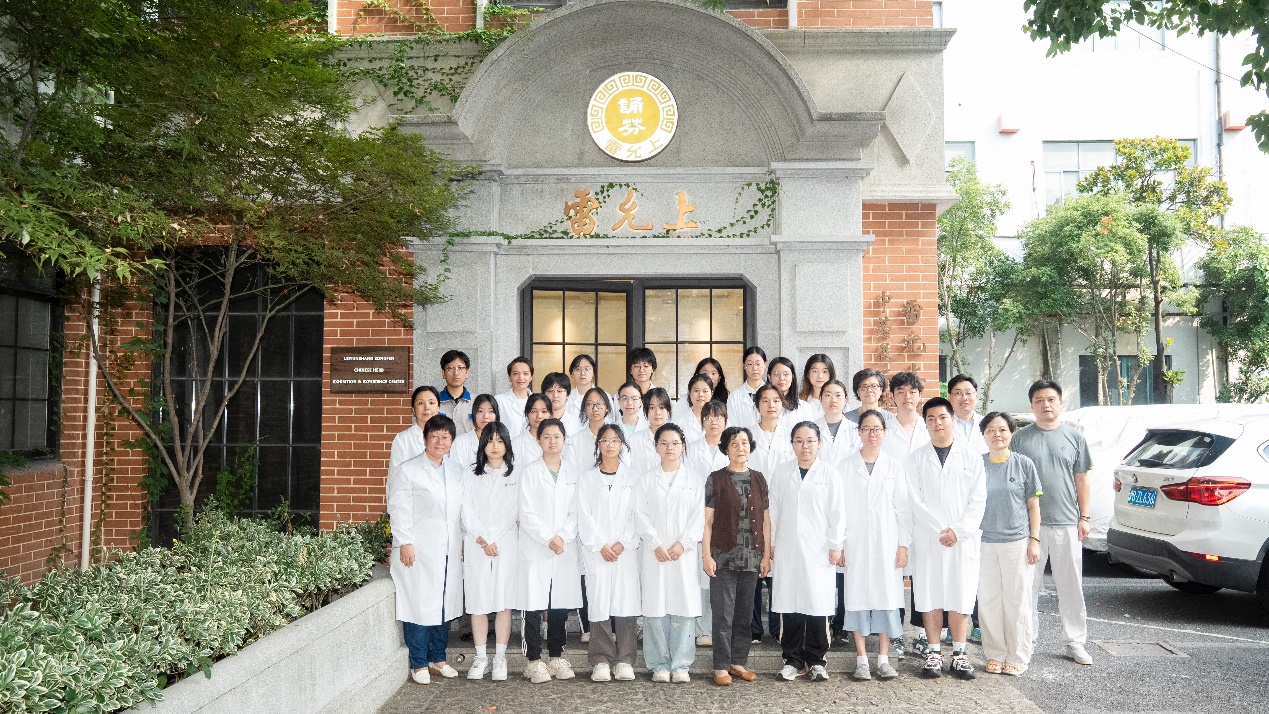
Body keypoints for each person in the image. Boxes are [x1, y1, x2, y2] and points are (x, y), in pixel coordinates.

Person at [1010, 379, 1094, 667]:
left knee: (1070, 586)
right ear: (1032, 405)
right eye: (1039, 400)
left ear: (1060, 402)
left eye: (1050, 399)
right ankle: (1027, 640)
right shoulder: (1019, 439)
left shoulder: (1075, 437)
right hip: (1028, 528)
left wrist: (1084, 517)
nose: (1045, 405)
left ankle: (1075, 642)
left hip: (1067, 522)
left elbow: (1082, 479)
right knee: (1027, 586)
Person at [907, 397, 987, 681]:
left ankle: (960, 654)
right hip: (929, 539)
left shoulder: (971, 457)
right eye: (931, 419)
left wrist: (958, 531)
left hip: (962, 541)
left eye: (942, 417)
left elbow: (978, 501)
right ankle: (933, 652)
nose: (937, 423)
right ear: (925, 423)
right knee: (930, 594)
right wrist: (938, 531)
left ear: (952, 419)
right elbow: (913, 500)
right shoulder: (915, 458)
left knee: (960, 594)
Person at [387, 414, 465, 685]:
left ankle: (438, 658)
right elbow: (398, 508)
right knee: (418, 605)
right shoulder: (408, 470)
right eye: (434, 436)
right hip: (417, 549)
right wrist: (405, 542)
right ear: (425, 438)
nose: (440, 442)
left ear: (452, 441)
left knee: (442, 603)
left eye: (445, 437)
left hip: (448, 549)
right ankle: (419, 662)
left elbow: (461, 510)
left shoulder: (457, 470)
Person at [769, 422, 847, 683]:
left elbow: (838, 513)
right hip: (787, 547)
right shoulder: (782, 472)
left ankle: (817, 661)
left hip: (819, 550)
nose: (805, 446)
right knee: (789, 604)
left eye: (810, 441)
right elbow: (774, 510)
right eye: (799, 441)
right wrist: (771, 543)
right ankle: (792, 660)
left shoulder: (829, 474)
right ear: (792, 444)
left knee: (817, 605)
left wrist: (836, 545)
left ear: (819, 443)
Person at [841, 410, 911, 681]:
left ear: (884, 432)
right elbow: (838, 510)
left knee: (886, 597)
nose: (871, 434)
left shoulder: (894, 466)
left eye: (877, 429)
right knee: (856, 596)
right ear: (859, 432)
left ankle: (883, 658)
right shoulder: (845, 466)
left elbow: (903, 508)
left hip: (887, 543)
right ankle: (861, 659)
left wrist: (903, 545)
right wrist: (839, 544)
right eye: (866, 429)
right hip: (855, 542)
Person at [516, 418, 584, 684]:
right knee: (533, 604)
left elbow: (578, 511)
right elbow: (526, 512)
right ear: (538, 440)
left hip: (564, 547)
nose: (552, 441)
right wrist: (549, 538)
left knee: (559, 605)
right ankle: (533, 661)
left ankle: (556, 656)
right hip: (536, 547)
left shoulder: (574, 473)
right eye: (546, 436)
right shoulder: (529, 472)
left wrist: (562, 537)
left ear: (564, 440)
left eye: (557, 436)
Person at [635, 423, 704, 683]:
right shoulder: (645, 480)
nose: (669, 448)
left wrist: (683, 543)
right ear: (656, 447)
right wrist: (655, 543)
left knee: (683, 606)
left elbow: (699, 517)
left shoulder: (694, 480)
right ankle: (659, 664)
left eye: (675, 443)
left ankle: (681, 664)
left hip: (683, 554)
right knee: (655, 608)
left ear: (683, 446)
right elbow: (639, 515)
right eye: (663, 443)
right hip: (655, 553)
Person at [703, 426, 771, 686]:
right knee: (723, 614)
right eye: (734, 443)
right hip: (723, 556)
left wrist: (765, 555)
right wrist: (706, 555)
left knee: (744, 613)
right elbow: (707, 521)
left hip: (751, 557)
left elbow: (765, 520)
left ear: (750, 447)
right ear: (726, 448)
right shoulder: (716, 479)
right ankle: (721, 666)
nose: (740, 448)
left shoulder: (759, 479)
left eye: (744, 442)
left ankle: (738, 661)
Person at [978, 412, 1043, 677]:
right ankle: (995, 653)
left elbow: (1033, 505)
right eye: (991, 430)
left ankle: (1017, 655)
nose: (997, 435)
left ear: (1011, 433)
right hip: (983, 542)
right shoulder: (977, 465)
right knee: (989, 600)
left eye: (1003, 429)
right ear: (983, 435)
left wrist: (1034, 540)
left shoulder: (1024, 464)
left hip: (1016, 541)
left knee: (1017, 601)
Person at [577, 424, 642, 682]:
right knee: (599, 603)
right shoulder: (587, 478)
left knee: (625, 603)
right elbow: (584, 514)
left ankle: (625, 659)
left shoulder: (633, 478)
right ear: (598, 445)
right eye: (604, 440)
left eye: (615, 440)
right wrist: (600, 544)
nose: (610, 445)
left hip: (625, 551)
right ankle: (601, 660)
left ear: (622, 445)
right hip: (597, 552)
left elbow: (637, 513)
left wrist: (622, 542)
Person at [461, 422, 520, 681]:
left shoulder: (516, 474)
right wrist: (483, 538)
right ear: (482, 444)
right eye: (490, 440)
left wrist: (492, 537)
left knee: (503, 603)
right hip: (478, 545)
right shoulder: (470, 473)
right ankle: (481, 657)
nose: (494, 446)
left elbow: (513, 510)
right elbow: (465, 509)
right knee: (478, 602)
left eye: (499, 440)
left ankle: (500, 657)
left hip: (505, 544)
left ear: (507, 444)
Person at [747, 383, 791, 643]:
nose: (771, 405)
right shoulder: (748, 435)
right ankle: (754, 628)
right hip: (753, 507)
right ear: (758, 405)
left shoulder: (790, 435)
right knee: (753, 569)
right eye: (765, 400)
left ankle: (777, 628)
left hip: (785, 506)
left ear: (782, 404)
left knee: (778, 569)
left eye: (776, 400)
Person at [566, 387, 617, 471]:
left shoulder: (617, 437)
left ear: (607, 407)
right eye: (589, 404)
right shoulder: (574, 441)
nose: (595, 409)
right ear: (584, 408)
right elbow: (570, 471)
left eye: (599, 404)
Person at [883, 371, 930, 463]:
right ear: (892, 396)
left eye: (912, 392)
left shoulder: (929, 427)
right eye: (901, 392)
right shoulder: (883, 430)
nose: (907, 397)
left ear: (919, 395)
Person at [815, 379, 861, 470]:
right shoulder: (812, 429)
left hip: (847, 477)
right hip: (819, 477)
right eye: (828, 395)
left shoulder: (856, 430)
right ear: (820, 398)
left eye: (838, 395)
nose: (833, 400)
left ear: (846, 399)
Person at [392, 386, 440, 470]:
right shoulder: (403, 439)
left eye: (431, 403)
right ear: (413, 409)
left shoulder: (447, 438)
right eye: (420, 403)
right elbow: (396, 474)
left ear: (438, 408)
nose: (427, 407)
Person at [629, 388, 673, 476]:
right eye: (652, 408)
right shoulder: (634, 439)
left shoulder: (676, 439)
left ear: (668, 411)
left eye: (662, 407)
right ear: (646, 411)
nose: (657, 413)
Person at [451, 393, 500, 469]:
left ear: (496, 415)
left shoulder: (503, 441)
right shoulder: (460, 443)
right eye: (480, 411)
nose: (485, 416)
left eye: (491, 411)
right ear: (474, 414)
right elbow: (455, 472)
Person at [727, 347, 767, 429]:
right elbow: (731, 426)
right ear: (744, 366)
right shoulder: (734, 396)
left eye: (758, 364)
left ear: (765, 366)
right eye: (750, 364)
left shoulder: (773, 394)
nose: (754, 368)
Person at [948, 374, 989, 456]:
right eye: (958, 393)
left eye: (968, 393)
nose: (964, 398)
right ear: (949, 397)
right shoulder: (942, 426)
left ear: (976, 396)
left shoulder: (988, 424)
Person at [495, 357, 534, 438]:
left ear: (531, 377)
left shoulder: (538, 402)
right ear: (509, 377)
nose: (521, 378)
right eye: (516, 373)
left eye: (525, 373)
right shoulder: (499, 400)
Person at [438, 350, 474, 436]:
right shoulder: (434, 402)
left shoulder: (477, 402)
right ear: (443, 373)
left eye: (460, 368)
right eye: (450, 368)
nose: (456, 373)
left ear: (467, 373)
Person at [671, 373, 715, 444]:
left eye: (705, 391)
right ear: (689, 393)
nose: (700, 395)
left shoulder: (721, 420)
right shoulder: (679, 423)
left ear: (711, 393)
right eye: (696, 391)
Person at [565, 354, 606, 426]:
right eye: (578, 369)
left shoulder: (604, 396)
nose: (582, 373)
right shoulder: (567, 398)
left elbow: (610, 421)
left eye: (587, 369)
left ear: (593, 373)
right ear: (572, 373)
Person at [513, 394, 552, 464]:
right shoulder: (516, 444)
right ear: (527, 414)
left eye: (544, 411)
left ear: (550, 415)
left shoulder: (557, 441)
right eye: (534, 411)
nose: (539, 416)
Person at [798, 354, 836, 422]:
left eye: (824, 371)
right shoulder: (799, 402)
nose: (820, 376)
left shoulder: (839, 400)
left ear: (830, 375)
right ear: (807, 374)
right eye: (815, 371)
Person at [766, 357, 804, 421]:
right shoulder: (761, 405)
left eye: (786, 374)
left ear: (792, 377)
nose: (781, 378)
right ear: (769, 377)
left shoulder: (804, 407)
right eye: (776, 374)